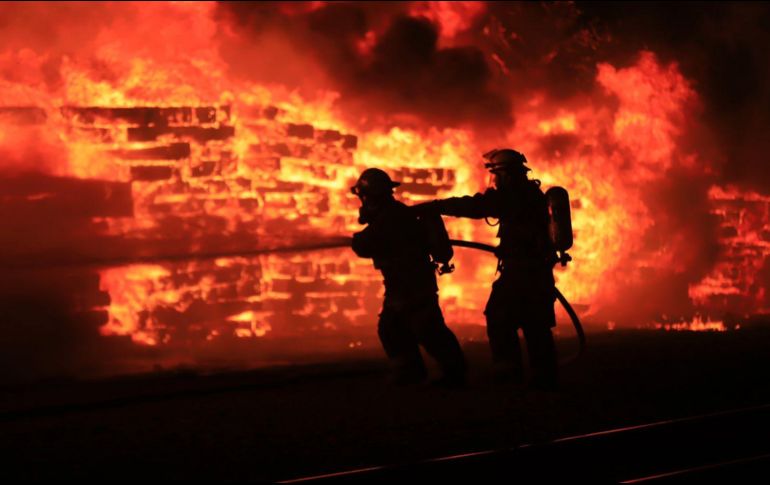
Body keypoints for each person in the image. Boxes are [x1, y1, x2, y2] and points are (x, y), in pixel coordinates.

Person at [415, 149, 559, 390]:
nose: (494, 181)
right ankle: (543, 377)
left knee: (499, 315)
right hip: (537, 273)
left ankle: (509, 373)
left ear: (506, 175)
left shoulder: (514, 196)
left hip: (520, 272)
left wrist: (435, 206)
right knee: (536, 324)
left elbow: (477, 206)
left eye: (496, 175)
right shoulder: (531, 194)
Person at [350, 168, 467, 387]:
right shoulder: (391, 214)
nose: (362, 201)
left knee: (428, 329)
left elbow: (367, 244)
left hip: (413, 284)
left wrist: (358, 241)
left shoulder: (391, 216)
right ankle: (411, 372)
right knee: (392, 328)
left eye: (364, 196)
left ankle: (454, 373)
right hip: (401, 284)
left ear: (372, 195)